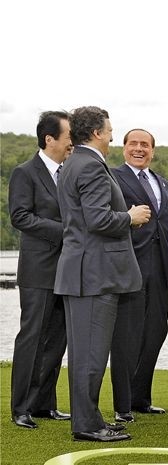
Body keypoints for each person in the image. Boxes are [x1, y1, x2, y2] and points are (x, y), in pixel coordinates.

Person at [54, 106, 151, 442]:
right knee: (91, 356)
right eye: (109, 130)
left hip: (84, 272)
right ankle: (87, 425)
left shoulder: (74, 162)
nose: (111, 136)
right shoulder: (91, 166)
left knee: (85, 354)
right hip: (94, 274)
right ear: (96, 132)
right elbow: (97, 220)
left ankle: (89, 419)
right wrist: (130, 217)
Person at [8, 111, 73, 428]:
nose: (72, 142)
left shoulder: (69, 172)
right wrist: (66, 230)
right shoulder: (25, 173)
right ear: (50, 139)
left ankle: (45, 405)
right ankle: (21, 408)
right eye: (69, 136)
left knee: (57, 341)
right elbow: (20, 216)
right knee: (32, 339)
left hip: (68, 270)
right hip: (38, 270)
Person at [110, 128, 168, 422]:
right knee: (127, 335)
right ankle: (122, 405)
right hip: (130, 265)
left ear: (152, 150)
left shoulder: (162, 182)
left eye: (145, 145)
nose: (139, 148)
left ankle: (141, 399)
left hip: (160, 268)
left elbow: (165, 226)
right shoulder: (113, 178)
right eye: (133, 143)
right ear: (123, 148)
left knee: (155, 331)